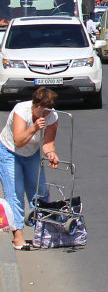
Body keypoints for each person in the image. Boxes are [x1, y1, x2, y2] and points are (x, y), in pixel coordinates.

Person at [0, 88, 59, 250]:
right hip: (9, 152)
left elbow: (48, 143)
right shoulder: (21, 110)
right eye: (43, 108)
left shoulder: (52, 117)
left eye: (49, 108)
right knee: (14, 192)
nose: (46, 113)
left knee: (38, 191)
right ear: (35, 105)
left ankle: (42, 232)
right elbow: (18, 141)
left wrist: (51, 154)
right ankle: (18, 235)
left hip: (32, 153)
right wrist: (33, 128)